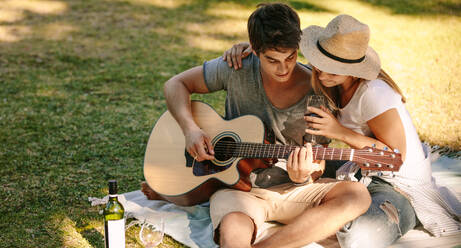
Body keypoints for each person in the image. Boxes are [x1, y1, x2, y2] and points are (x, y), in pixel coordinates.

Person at [144, 4, 372, 248]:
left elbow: (317, 164)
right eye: (272, 60)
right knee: (233, 233)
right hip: (237, 191)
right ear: (253, 49)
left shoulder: (317, 93)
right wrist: (190, 129)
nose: (283, 68)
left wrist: (304, 175)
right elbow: (175, 84)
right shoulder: (236, 67)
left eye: (290, 57)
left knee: (355, 196)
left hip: (292, 191)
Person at [225, 14, 461, 248]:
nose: (323, 74)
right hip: (359, 168)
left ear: (353, 68)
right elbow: (283, 55)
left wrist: (339, 131)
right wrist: (251, 49)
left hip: (399, 185)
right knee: (286, 166)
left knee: (357, 237)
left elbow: (395, 157)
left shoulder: (374, 94)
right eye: (320, 66)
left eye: (333, 70)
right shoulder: (327, 80)